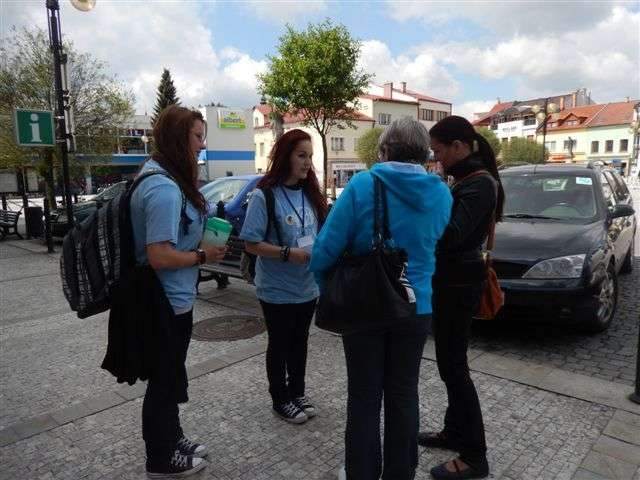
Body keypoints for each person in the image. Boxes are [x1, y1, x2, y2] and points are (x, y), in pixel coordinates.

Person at [309, 118, 452, 480]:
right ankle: (400, 473)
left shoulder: (363, 184)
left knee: (364, 396)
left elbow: (324, 250)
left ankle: (361, 472)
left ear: (385, 150)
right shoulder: (441, 193)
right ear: (423, 154)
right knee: (404, 393)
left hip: (365, 305)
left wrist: (329, 288)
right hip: (417, 305)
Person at [129, 105, 226, 478]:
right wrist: (203, 255)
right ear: (177, 138)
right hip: (164, 303)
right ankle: (160, 459)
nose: (202, 145)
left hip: (171, 299)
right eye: (197, 136)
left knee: (169, 377)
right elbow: (159, 255)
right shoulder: (163, 188)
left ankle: (172, 438)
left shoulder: (162, 177)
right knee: (163, 381)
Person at [418, 115, 505, 480]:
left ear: (458, 146)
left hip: (459, 285)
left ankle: (475, 456)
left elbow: (452, 235)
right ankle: (454, 432)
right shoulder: (468, 180)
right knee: (449, 364)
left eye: (439, 151)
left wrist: (425, 205)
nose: (437, 159)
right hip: (452, 282)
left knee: (455, 369)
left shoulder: (480, 184)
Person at [240, 129, 328, 424]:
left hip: (307, 286)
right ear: (285, 156)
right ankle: (280, 399)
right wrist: (287, 253)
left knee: (300, 342)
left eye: (310, 156)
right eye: (301, 155)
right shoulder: (264, 195)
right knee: (280, 344)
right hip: (276, 288)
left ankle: (297, 392)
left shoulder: (310, 193)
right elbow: (251, 243)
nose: (307, 163)